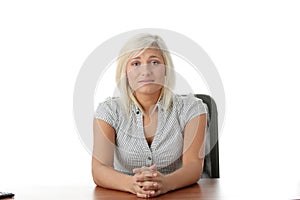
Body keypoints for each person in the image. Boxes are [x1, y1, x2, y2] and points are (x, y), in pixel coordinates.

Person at [92, 33, 207, 198]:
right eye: (136, 63)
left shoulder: (192, 109)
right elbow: (99, 169)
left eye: (154, 62)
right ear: (125, 72)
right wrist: (132, 184)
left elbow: (193, 166)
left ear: (166, 69)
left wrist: (165, 183)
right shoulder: (109, 111)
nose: (145, 71)